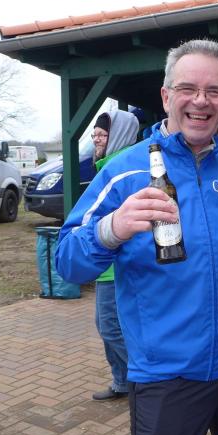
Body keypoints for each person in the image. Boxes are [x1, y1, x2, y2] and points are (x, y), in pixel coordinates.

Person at [55, 40, 218, 435]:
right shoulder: (125, 172)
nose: (200, 101)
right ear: (167, 96)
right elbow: (67, 261)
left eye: (214, 91)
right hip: (167, 373)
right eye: (188, 88)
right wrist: (112, 229)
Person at [89, 109, 139, 401]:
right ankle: (121, 381)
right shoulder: (106, 164)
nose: (97, 139)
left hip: (115, 265)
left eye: (103, 134)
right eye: (95, 134)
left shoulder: (123, 167)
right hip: (104, 263)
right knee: (107, 325)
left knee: (110, 327)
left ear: (118, 135)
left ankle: (145, 379)